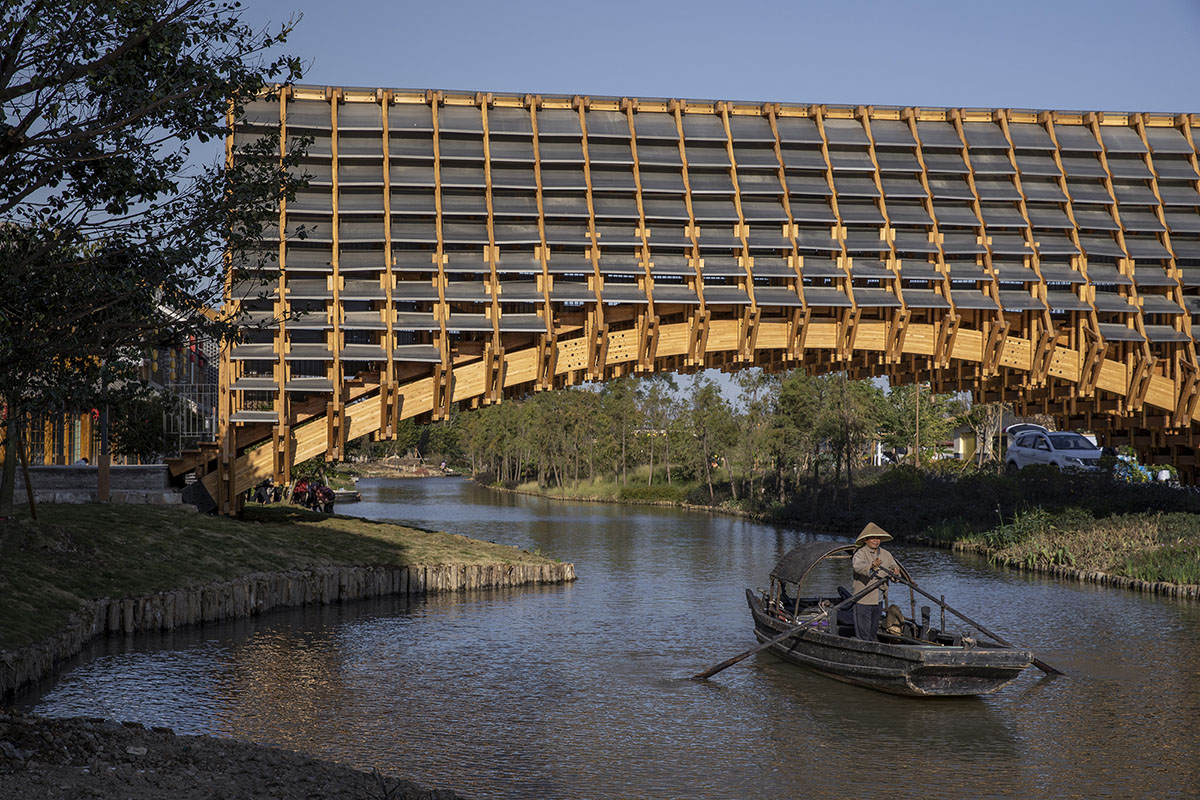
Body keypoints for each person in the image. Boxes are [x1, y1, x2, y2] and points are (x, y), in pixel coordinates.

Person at [851, 522, 899, 642]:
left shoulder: (886, 554)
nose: (875, 540)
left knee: (873, 631)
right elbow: (858, 567)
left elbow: (894, 567)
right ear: (866, 540)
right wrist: (871, 566)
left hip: (878, 599)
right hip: (863, 598)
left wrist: (895, 571)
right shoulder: (860, 553)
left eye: (878, 538)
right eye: (872, 538)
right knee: (863, 634)